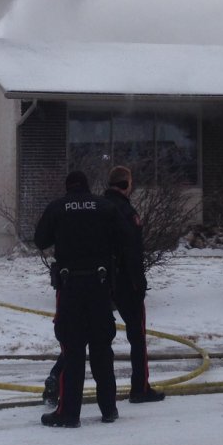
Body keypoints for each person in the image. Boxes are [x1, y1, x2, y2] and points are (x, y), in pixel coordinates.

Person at [42, 165, 166, 406]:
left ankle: (56, 376)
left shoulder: (99, 206)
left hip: (100, 282)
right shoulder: (125, 212)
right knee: (136, 336)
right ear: (127, 184)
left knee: (79, 336)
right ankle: (139, 388)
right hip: (125, 283)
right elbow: (132, 251)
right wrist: (138, 283)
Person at [34, 170, 134, 428]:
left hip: (70, 288)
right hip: (100, 287)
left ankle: (68, 413)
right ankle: (109, 409)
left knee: (73, 349)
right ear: (88, 187)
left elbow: (40, 240)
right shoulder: (105, 207)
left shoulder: (58, 208)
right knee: (102, 348)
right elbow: (126, 238)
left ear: (68, 188)